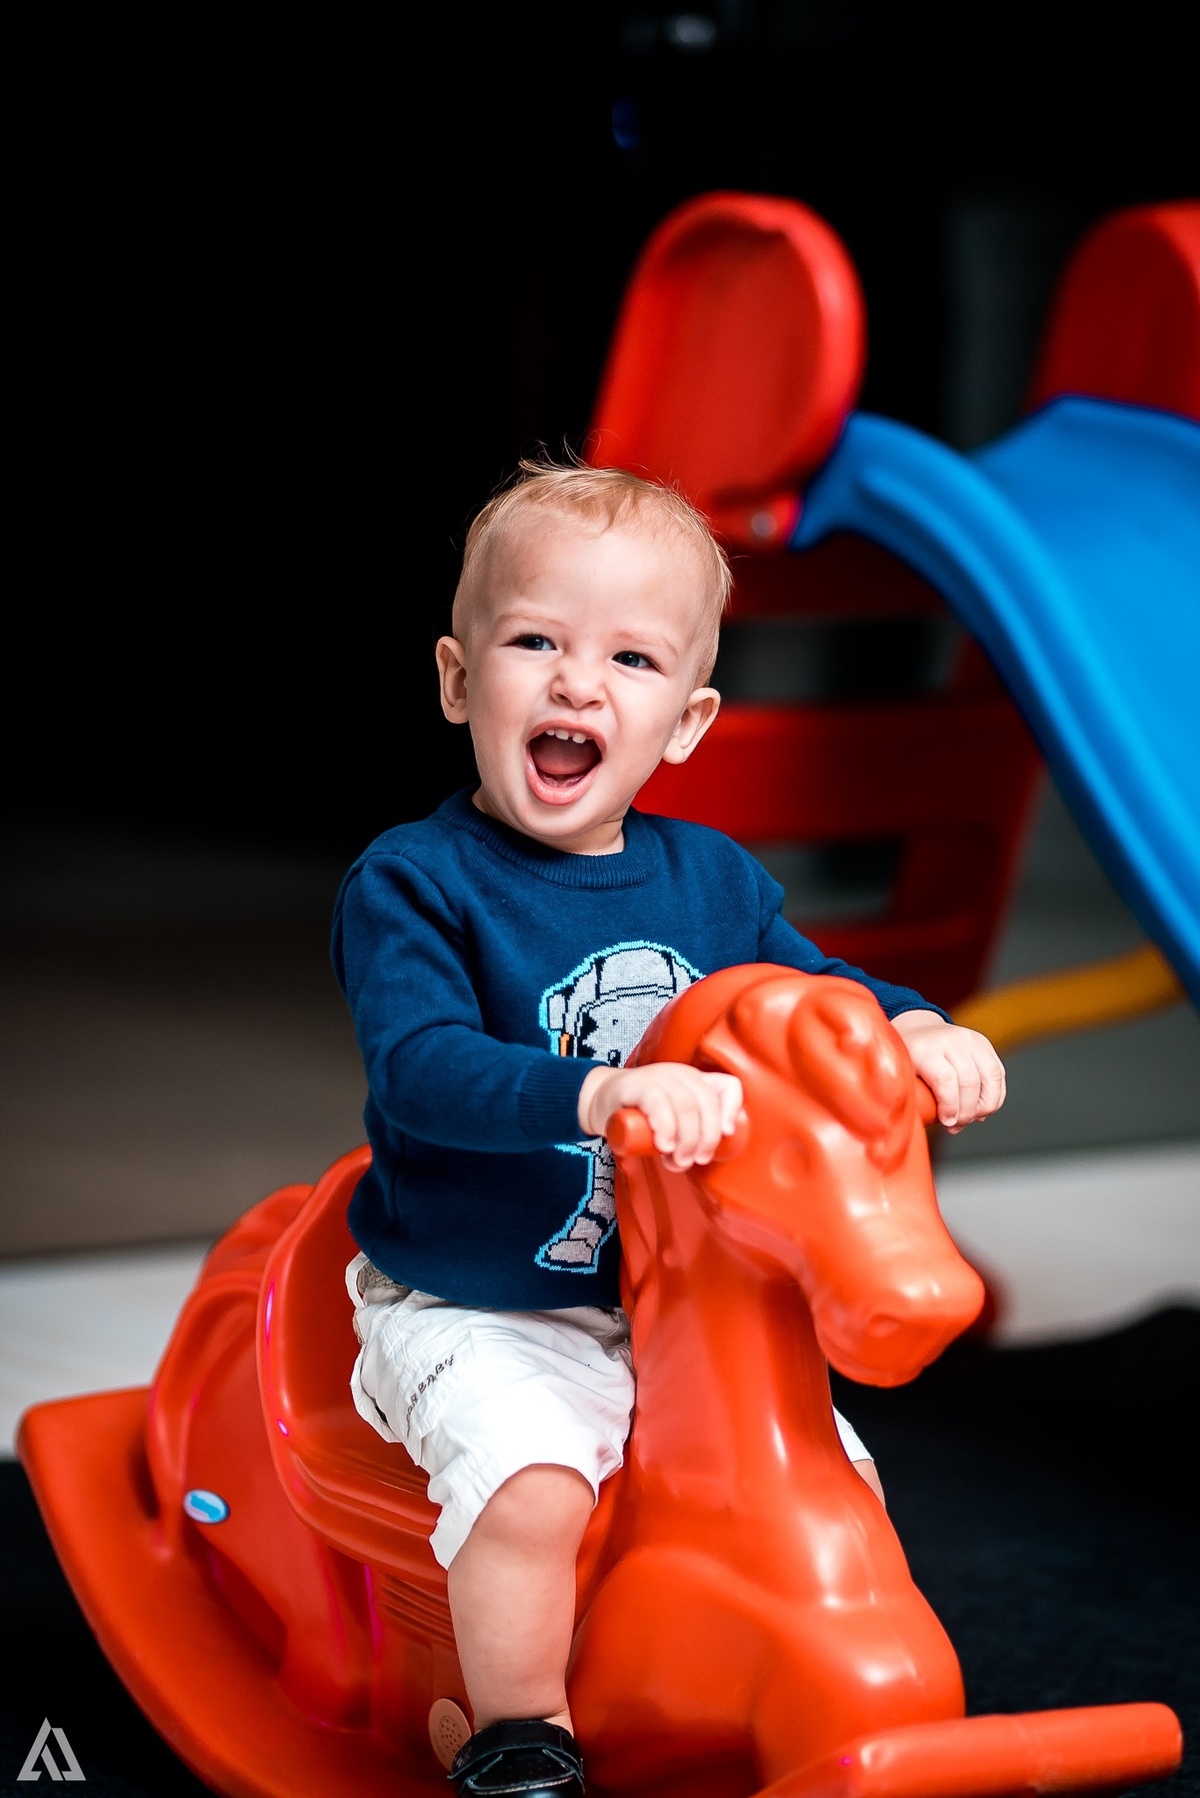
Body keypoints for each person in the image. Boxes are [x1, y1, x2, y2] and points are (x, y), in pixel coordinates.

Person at [332, 462, 1005, 1797]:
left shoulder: (716, 881)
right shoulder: (414, 880)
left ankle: (786, 1678)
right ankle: (521, 1731)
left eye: (629, 658)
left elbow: (822, 995)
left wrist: (919, 1025)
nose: (579, 683)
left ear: (684, 720)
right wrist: (595, 1091)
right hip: (477, 1299)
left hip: (666, 1308)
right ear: (462, 680)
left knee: (834, 1478)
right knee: (531, 1485)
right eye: (537, 641)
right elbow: (421, 1069)